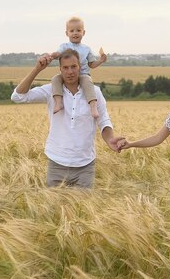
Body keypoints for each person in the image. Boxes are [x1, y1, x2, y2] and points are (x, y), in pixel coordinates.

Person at [11, 49, 120, 188]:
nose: (70, 72)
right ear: (60, 69)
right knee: (55, 208)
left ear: (80, 67)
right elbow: (18, 97)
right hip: (56, 164)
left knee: (83, 208)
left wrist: (110, 139)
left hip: (85, 165)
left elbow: (103, 120)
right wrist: (37, 69)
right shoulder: (51, 90)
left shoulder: (95, 92)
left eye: (74, 66)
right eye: (65, 68)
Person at [50, 16, 107, 118]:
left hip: (83, 74)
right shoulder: (64, 46)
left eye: (78, 30)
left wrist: (101, 61)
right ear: (67, 33)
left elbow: (91, 64)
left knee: (88, 82)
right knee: (55, 79)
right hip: (67, 75)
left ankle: (93, 107)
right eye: (72, 31)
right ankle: (58, 102)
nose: (75, 33)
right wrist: (53, 55)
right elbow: (58, 54)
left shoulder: (86, 49)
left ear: (83, 32)